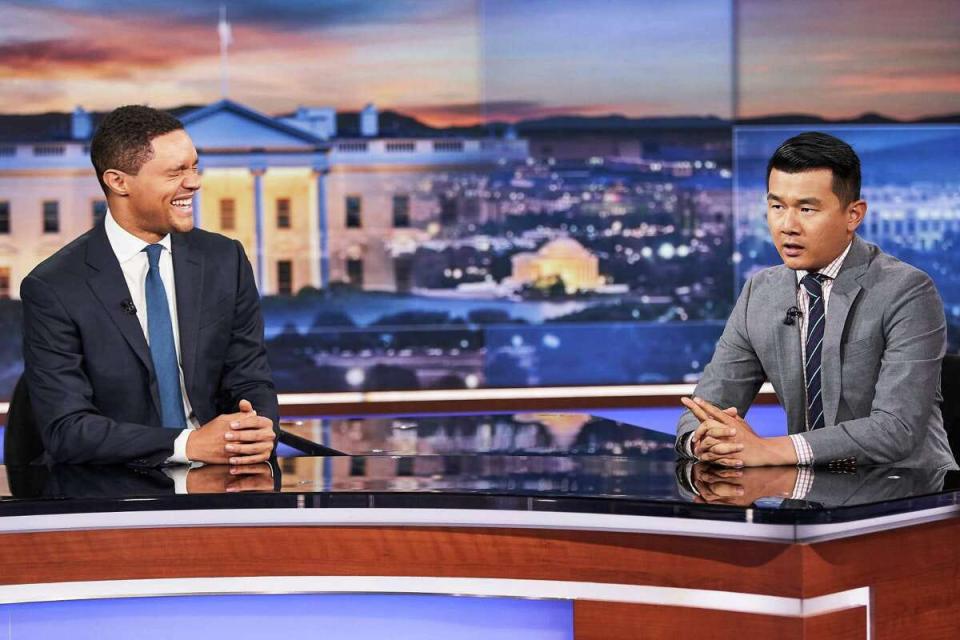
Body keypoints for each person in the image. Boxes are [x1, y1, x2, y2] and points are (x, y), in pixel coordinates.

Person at [676, 131, 955, 469]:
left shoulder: (907, 290)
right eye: (777, 206)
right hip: (811, 492)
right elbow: (703, 409)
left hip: (911, 494)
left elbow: (895, 429)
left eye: (806, 209)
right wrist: (705, 440)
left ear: (853, 215)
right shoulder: (759, 293)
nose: (787, 225)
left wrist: (769, 450)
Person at [21, 105, 278, 466]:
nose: (194, 182)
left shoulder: (225, 259)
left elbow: (251, 378)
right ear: (118, 181)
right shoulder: (54, 287)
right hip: (113, 489)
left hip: (224, 476)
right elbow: (67, 428)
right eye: (175, 172)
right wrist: (186, 445)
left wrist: (256, 430)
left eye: (194, 166)